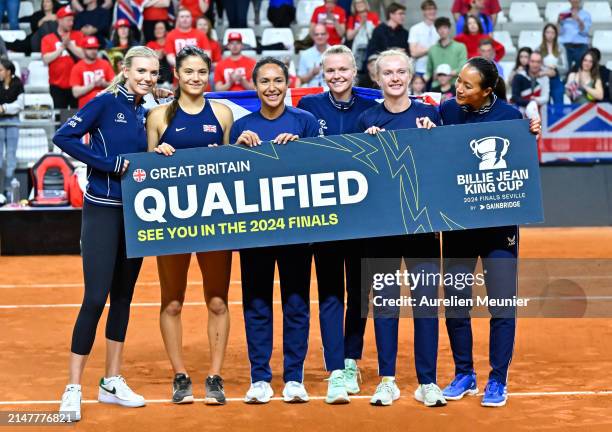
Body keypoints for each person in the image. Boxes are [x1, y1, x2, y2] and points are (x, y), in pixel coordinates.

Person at [54, 46, 161, 422]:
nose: (148, 78)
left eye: (154, 73)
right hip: (102, 209)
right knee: (96, 298)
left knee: (123, 299)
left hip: (136, 215)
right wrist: (108, 164)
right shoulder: (104, 102)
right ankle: (73, 388)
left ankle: (112, 381)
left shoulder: (146, 111)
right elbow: (64, 138)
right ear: (126, 70)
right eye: (142, 71)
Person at [437, 56, 541, 408]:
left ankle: (498, 380)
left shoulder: (511, 118)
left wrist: (532, 136)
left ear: (487, 90)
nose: (458, 89)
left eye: (467, 85)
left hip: (498, 229)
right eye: (458, 81)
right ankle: (464, 373)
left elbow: (523, 166)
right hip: (458, 226)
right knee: (455, 303)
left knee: (501, 305)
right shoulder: (447, 111)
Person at [356, 49, 445, 407]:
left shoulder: (429, 114)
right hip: (382, 229)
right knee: (387, 305)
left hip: (422, 225)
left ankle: (428, 382)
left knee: (426, 303)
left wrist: (434, 137)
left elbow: (443, 165)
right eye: (387, 73)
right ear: (377, 79)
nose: (394, 78)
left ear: (411, 76)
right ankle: (387, 380)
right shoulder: (367, 119)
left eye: (401, 72)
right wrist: (368, 144)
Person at [146, 46, 234, 405]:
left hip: (215, 220)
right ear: (177, 76)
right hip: (172, 222)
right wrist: (156, 157)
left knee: (217, 300)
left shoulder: (224, 114)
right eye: (189, 72)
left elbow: (236, 169)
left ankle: (215, 376)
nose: (196, 78)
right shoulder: (158, 117)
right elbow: (144, 172)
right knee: (172, 302)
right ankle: (180, 375)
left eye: (202, 72)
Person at [230, 57, 320, 404]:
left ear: (288, 84)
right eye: (265, 81)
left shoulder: (305, 122)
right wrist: (237, 148)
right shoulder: (242, 125)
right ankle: (260, 379)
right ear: (255, 86)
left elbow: (321, 168)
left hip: (297, 230)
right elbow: (229, 173)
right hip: (255, 231)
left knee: (296, 302)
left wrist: (301, 149)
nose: (271, 87)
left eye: (278, 80)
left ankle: (295, 378)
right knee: (256, 303)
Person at [297, 44, 378, 404]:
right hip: (326, 220)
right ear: (322, 72)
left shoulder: (371, 109)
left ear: (354, 71)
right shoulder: (309, 108)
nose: (337, 76)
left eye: (343, 69)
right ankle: (334, 368)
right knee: (330, 292)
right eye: (330, 70)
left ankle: (350, 360)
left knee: (360, 293)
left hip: (365, 219)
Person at [41, 5, 84, 109]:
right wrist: (61, 48)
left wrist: (70, 45)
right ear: (59, 20)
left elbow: (84, 55)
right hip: (57, 85)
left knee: (77, 117)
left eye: (72, 20)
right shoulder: (48, 38)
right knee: (60, 118)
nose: (71, 23)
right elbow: (46, 59)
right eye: (68, 20)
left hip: (76, 84)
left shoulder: (78, 35)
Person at [0, 58, 24, 204]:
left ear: (8, 71)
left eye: (1, 70)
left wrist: (4, 108)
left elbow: (20, 105)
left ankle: (9, 191)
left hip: (13, 122)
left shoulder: (18, 83)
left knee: (10, 156)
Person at [70, 36, 115, 108]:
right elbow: (75, 93)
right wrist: (92, 85)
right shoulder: (77, 67)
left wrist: (104, 84)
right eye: (90, 48)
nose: (93, 51)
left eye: (95, 48)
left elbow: (116, 85)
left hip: (105, 108)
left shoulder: (105, 64)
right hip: (86, 110)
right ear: (83, 49)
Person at [426, 16, 467, 87]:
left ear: (449, 29)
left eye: (445, 27)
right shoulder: (432, 49)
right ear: (436, 30)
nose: (442, 31)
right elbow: (428, 71)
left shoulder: (460, 47)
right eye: (439, 28)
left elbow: (463, 68)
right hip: (437, 86)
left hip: (455, 85)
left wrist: (448, 73)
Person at [346, 0, 380, 70]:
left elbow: (378, 34)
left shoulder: (373, 15)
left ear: (365, 3)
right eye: (357, 3)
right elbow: (349, 37)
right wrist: (360, 25)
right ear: (354, 5)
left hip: (371, 47)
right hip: (357, 49)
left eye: (361, 2)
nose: (359, 4)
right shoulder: (352, 18)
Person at [558, 0, 591, 71]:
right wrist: (558, 21)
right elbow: (559, 31)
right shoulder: (563, 13)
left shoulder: (586, 14)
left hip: (581, 46)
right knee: (565, 69)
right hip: (565, 46)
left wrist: (578, 20)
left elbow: (585, 32)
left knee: (582, 69)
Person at [409, 0, 439, 76]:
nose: (432, 11)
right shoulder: (415, 29)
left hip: (437, 70)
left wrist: (422, 50)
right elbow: (413, 53)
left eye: (433, 9)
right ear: (423, 11)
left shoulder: (440, 29)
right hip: (419, 69)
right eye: (429, 9)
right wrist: (432, 48)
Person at [539, 24, 567, 106]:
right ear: (544, 34)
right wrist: (546, 72)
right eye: (548, 32)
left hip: (557, 79)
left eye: (552, 33)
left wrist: (555, 68)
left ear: (555, 34)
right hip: (543, 79)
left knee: (558, 105)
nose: (550, 35)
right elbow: (535, 66)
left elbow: (566, 68)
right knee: (544, 107)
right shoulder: (538, 49)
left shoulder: (561, 48)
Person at [297, 24, 329, 88]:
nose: (319, 36)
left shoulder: (335, 53)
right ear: (313, 37)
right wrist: (312, 74)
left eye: (322, 34)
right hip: (311, 92)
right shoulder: (305, 54)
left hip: (331, 91)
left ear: (327, 35)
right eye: (317, 34)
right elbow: (300, 80)